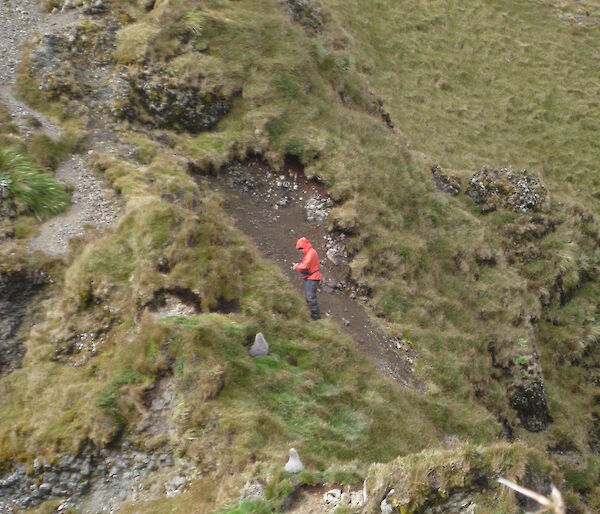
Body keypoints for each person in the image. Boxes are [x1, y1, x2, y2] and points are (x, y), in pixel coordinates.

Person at [293, 237, 322, 320]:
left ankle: (316, 316)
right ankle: (310, 311)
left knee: (310, 296)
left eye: (300, 249)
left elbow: (305, 266)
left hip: (313, 277)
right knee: (309, 296)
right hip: (311, 277)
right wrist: (299, 265)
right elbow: (306, 264)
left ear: (303, 247)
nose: (300, 251)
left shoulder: (310, 253)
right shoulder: (310, 252)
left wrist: (296, 267)